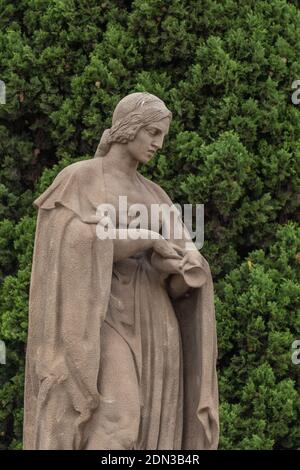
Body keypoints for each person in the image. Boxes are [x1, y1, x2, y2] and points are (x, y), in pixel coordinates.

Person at [23, 92, 219, 450]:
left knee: (150, 435)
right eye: (153, 132)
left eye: (162, 135)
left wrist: (181, 267)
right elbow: (70, 246)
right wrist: (145, 238)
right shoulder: (79, 179)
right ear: (129, 128)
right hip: (101, 318)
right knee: (119, 425)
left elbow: (180, 276)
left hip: (157, 323)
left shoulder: (156, 195)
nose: (159, 144)